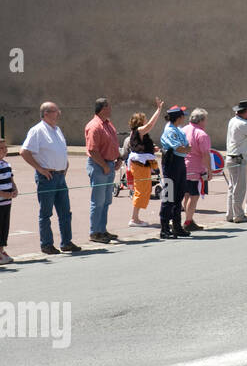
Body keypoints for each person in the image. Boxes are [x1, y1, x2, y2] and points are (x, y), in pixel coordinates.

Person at [20, 102, 79, 255]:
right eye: (55, 111)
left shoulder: (57, 129)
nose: (59, 113)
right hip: (47, 177)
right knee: (46, 213)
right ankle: (46, 244)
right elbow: (24, 151)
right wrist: (39, 168)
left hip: (60, 176)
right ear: (46, 113)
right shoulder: (37, 130)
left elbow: (60, 150)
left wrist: (65, 165)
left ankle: (66, 242)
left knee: (65, 212)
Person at [84, 97, 121, 243]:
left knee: (106, 201)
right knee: (98, 201)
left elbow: (113, 143)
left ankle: (102, 230)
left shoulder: (108, 124)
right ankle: (95, 232)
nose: (111, 109)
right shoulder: (94, 126)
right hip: (99, 166)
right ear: (103, 108)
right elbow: (92, 150)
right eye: (109, 107)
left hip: (109, 165)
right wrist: (105, 166)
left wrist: (118, 159)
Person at [126, 99, 164, 227]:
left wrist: (153, 149)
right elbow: (150, 125)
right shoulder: (138, 130)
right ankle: (134, 219)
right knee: (140, 191)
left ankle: (136, 218)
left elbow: (141, 146)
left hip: (143, 164)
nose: (146, 121)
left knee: (145, 190)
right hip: (139, 165)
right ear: (140, 121)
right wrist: (158, 110)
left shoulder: (140, 133)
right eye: (144, 119)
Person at [158, 106, 191, 239]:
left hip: (180, 164)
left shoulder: (179, 130)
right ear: (178, 117)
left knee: (179, 196)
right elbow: (180, 148)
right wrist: (186, 149)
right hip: (171, 164)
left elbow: (186, 147)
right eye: (183, 116)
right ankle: (164, 228)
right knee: (169, 196)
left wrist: (186, 149)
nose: (184, 118)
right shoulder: (169, 131)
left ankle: (177, 226)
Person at [182, 108, 213, 231]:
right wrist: (209, 170)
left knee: (186, 195)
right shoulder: (201, 134)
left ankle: (188, 218)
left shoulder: (183, 130)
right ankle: (188, 221)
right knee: (194, 196)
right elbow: (205, 154)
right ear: (201, 120)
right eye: (205, 120)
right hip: (195, 169)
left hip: (183, 167)